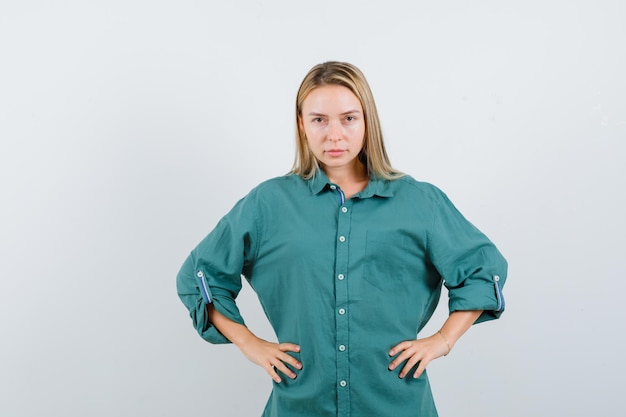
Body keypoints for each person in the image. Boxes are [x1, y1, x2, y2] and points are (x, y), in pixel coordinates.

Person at [176, 61, 508, 417]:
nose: (334, 135)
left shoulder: (419, 202)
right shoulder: (268, 205)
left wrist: (443, 340)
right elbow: (200, 277)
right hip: (300, 406)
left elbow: (482, 269)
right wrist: (250, 343)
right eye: (319, 119)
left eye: (348, 118)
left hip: (397, 405)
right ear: (302, 124)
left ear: (367, 121)